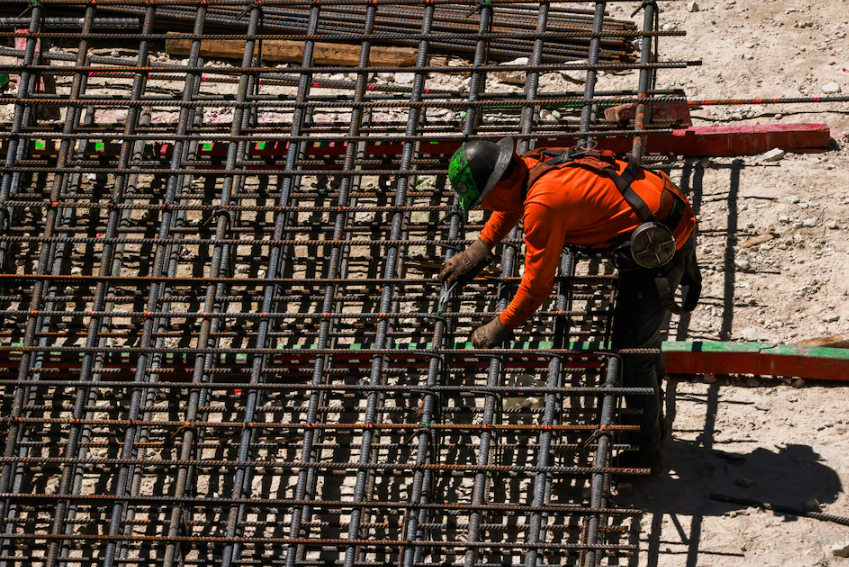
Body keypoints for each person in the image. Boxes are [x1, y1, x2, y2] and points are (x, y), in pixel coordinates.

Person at [438, 137, 702, 470]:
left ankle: (647, 451)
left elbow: (536, 288)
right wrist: (481, 247)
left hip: (660, 242)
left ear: (497, 184)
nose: (485, 208)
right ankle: (647, 397)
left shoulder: (543, 204)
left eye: (483, 201)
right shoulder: (529, 166)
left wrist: (499, 326)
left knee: (631, 352)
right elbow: (509, 204)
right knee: (640, 342)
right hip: (656, 207)